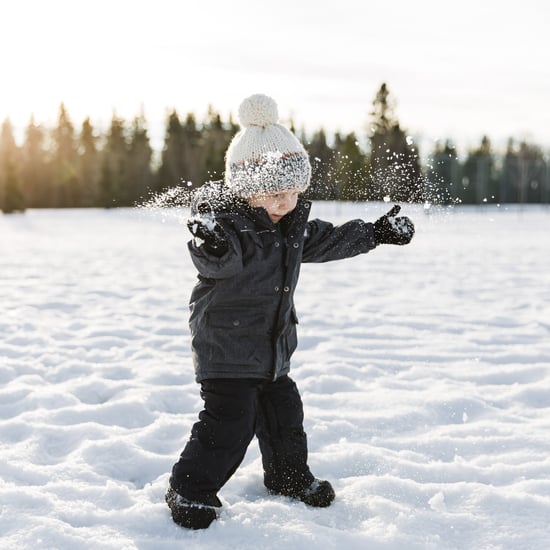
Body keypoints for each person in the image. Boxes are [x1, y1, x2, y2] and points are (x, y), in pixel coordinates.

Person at [166, 93, 414, 529]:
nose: (285, 203)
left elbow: (332, 239)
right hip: (226, 348)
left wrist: (375, 232)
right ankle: (189, 489)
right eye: (274, 193)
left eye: (293, 192)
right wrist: (213, 243)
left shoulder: (291, 228)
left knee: (285, 415)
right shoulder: (228, 227)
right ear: (246, 189)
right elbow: (213, 260)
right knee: (231, 422)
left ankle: (288, 477)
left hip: (270, 349)